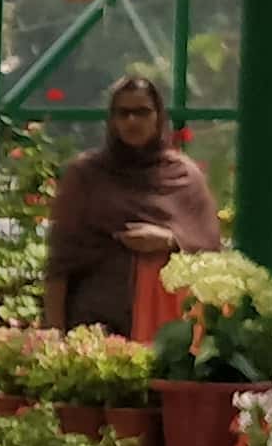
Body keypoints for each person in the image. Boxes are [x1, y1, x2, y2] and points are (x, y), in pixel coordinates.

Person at [42, 71, 222, 336]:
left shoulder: (183, 175)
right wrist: (54, 333)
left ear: (158, 117)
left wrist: (170, 241)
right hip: (94, 323)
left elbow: (210, 247)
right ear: (112, 120)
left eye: (142, 112)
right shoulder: (86, 175)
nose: (132, 121)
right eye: (123, 113)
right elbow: (60, 260)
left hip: (168, 328)